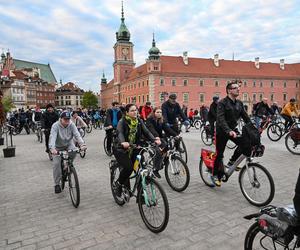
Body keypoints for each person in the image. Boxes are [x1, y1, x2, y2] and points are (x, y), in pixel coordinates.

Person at [113, 104, 161, 197]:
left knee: (142, 169)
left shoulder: (139, 121)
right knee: (129, 168)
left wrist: (154, 140)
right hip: (121, 149)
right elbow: (120, 133)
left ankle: (141, 194)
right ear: (127, 112)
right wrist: (123, 142)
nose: (135, 112)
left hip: (135, 148)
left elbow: (146, 131)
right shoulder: (122, 121)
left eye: (136, 110)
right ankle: (118, 185)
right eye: (132, 110)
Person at [213, 80, 251, 186]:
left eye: (238, 87)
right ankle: (216, 174)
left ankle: (232, 162)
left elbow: (246, 118)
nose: (238, 89)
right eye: (235, 88)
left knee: (245, 144)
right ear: (229, 90)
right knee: (220, 154)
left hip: (233, 129)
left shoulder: (239, 103)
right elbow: (220, 118)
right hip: (222, 131)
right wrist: (228, 130)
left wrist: (254, 128)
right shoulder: (222, 103)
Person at [49, 111, 86, 194]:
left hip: (69, 144)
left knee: (74, 151)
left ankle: (68, 165)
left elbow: (77, 135)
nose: (67, 121)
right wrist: (52, 149)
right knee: (56, 164)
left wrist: (82, 144)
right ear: (61, 119)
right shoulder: (55, 126)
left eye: (68, 119)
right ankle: (57, 184)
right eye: (65, 119)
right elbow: (52, 137)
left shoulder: (71, 124)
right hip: (57, 147)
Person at [145, 107, 178, 178]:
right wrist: (156, 137)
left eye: (160, 112)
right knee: (158, 152)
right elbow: (151, 129)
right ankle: (155, 170)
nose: (159, 114)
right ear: (154, 113)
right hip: (151, 138)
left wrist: (176, 135)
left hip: (159, 138)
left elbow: (167, 128)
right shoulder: (149, 120)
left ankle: (164, 160)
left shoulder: (161, 120)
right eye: (157, 112)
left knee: (166, 146)